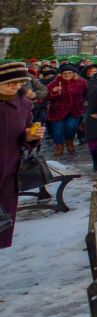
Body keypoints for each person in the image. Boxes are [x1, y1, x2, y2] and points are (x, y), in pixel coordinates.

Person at [1, 61, 45, 249]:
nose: (15, 87)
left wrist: (31, 137)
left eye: (19, 82)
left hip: (9, 170)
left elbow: (24, 138)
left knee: (3, 221)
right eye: (10, 83)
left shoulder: (23, 104)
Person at [45, 64, 88, 158]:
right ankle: (59, 145)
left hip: (75, 109)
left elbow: (86, 93)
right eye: (65, 73)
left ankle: (69, 141)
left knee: (72, 127)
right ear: (61, 74)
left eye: (69, 73)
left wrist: (82, 102)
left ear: (73, 73)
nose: (67, 75)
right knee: (58, 130)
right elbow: (47, 97)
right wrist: (54, 91)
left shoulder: (81, 82)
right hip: (58, 110)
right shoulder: (55, 83)